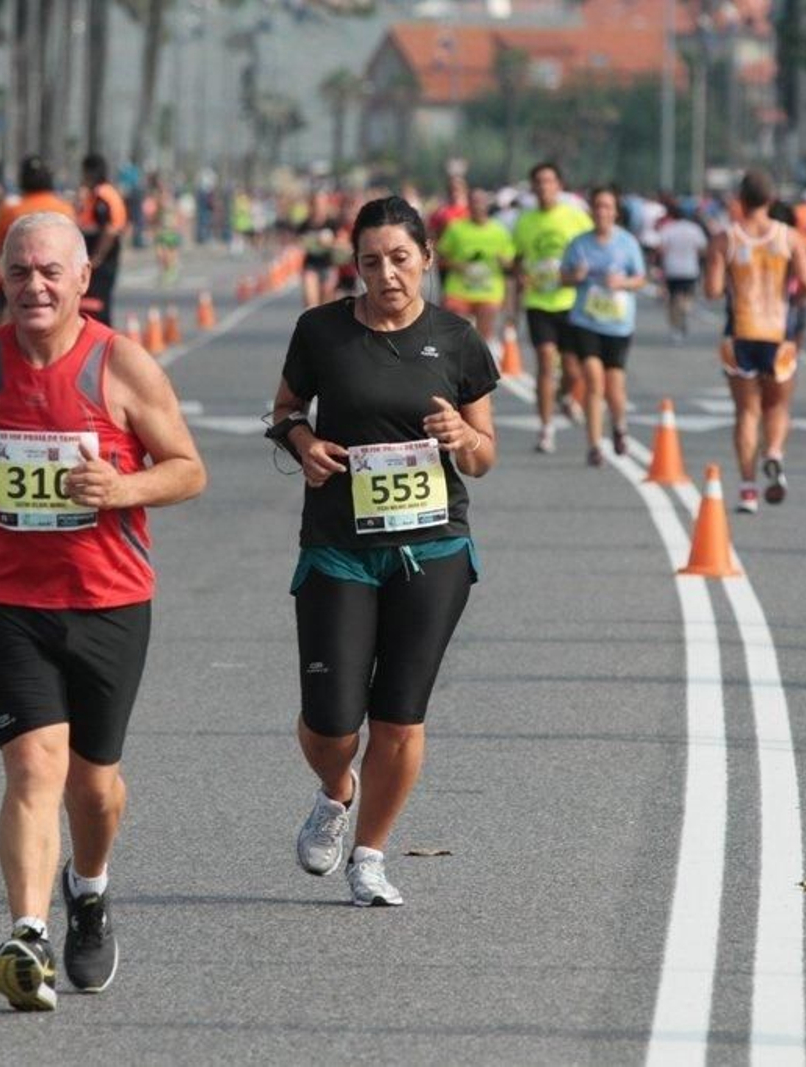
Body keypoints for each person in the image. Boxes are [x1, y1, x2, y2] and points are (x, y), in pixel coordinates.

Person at [0, 212, 205, 1011]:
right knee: (34, 767)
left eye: (50, 272)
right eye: (18, 273)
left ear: (83, 279)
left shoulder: (124, 366)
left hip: (110, 600)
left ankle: (91, 887)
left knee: (95, 786)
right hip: (8, 598)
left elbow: (187, 469)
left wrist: (124, 487)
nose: (34, 286)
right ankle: (27, 935)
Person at [267, 196, 498, 908]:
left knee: (400, 713)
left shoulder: (458, 339)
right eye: (372, 262)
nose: (387, 274)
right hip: (340, 546)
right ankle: (337, 788)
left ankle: (369, 853)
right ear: (357, 267)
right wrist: (303, 445)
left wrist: (463, 438)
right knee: (332, 720)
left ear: (427, 258)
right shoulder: (321, 332)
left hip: (433, 548)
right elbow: (283, 413)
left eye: (400, 258)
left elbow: (486, 455)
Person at [703, 169, 806, 513]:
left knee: (747, 413)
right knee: (778, 407)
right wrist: (790, 288)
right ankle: (774, 452)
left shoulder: (726, 239)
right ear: (771, 200)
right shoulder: (789, 237)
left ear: (740, 199)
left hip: (739, 333)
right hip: (779, 334)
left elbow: (711, 291)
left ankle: (748, 488)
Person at [561, 185, 647, 466]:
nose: (602, 212)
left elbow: (640, 279)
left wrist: (621, 283)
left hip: (619, 325)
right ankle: (595, 445)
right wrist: (577, 275)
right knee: (594, 381)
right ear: (591, 210)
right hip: (586, 321)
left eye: (607, 207)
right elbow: (563, 278)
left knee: (615, 388)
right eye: (597, 206)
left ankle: (619, 427)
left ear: (615, 212)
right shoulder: (579, 244)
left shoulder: (627, 243)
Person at [513, 162, 593, 453]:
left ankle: (567, 396)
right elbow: (517, 259)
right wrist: (518, 278)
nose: (545, 187)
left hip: (571, 302)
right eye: (539, 182)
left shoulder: (576, 217)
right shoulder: (525, 221)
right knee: (546, 362)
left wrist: (583, 273)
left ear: (559, 186)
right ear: (533, 187)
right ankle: (546, 429)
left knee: (574, 371)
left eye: (550, 182)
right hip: (539, 302)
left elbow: (593, 247)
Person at [0, 156, 75, 325]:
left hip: (13, 279)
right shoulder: (65, 209)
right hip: (56, 281)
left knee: (6, 328)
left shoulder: (11, 210)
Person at [435, 188, 513, 345]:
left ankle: (478, 365)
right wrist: (456, 265)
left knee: (482, 340)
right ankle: (456, 365)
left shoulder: (499, 231)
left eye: (481, 202)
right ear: (468, 205)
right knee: (456, 337)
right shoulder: (456, 228)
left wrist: (503, 261)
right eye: (474, 202)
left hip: (489, 291)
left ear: (487, 204)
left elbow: (510, 264)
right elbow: (439, 258)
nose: (478, 206)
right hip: (459, 291)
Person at [76, 154, 128, 325]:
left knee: (96, 304)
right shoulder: (105, 192)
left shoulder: (102, 196)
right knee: (98, 302)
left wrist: (96, 258)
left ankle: (100, 341)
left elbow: (109, 230)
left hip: (103, 257)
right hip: (105, 254)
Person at [656, 205, 707, 341]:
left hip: (672, 269)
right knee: (687, 296)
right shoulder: (694, 229)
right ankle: (685, 309)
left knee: (673, 300)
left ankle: (676, 328)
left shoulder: (668, 229)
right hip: (690, 269)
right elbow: (702, 248)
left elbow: (661, 249)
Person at [296, 192, 341, 309]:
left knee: (326, 304)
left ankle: (323, 324)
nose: (318, 207)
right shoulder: (304, 225)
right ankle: (311, 322)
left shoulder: (332, 223)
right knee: (311, 303)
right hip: (311, 264)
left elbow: (343, 244)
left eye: (321, 203)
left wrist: (330, 242)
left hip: (328, 264)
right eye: (315, 204)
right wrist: (303, 243)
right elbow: (297, 243)